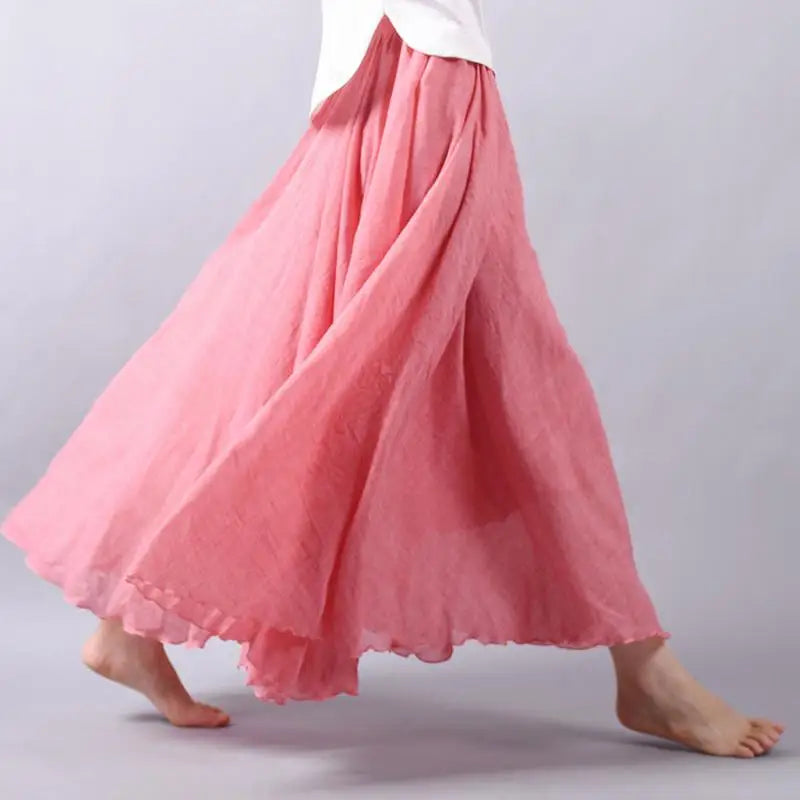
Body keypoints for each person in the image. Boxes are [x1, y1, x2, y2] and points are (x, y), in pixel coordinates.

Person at [2, 1, 784, 758]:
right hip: (421, 78)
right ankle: (646, 670)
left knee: (296, 352)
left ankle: (128, 624)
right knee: (499, 378)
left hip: (388, 76)